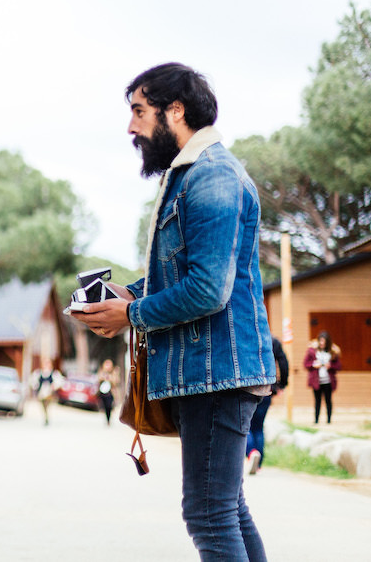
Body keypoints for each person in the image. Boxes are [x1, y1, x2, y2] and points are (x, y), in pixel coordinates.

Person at [71, 63, 276, 561]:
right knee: (226, 509)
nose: (131, 126)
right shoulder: (195, 174)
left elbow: (207, 290)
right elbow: (181, 276)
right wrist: (123, 295)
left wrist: (132, 315)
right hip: (216, 373)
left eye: (139, 111)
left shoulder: (212, 177)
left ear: (175, 110)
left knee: (208, 514)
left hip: (218, 375)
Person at [246, 337, 289, 474]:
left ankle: (251, 452)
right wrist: (282, 384)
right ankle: (259, 464)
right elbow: (283, 363)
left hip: (247, 387)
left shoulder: (246, 339)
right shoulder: (272, 341)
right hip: (266, 388)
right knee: (258, 427)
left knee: (245, 426)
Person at [304, 331, 342, 424]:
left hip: (328, 381)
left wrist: (330, 366)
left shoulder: (333, 352)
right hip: (316, 380)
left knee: (328, 400)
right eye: (320, 341)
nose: (321, 343)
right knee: (317, 401)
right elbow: (306, 364)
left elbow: (339, 366)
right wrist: (314, 365)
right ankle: (316, 420)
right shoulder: (312, 351)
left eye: (324, 341)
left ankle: (329, 420)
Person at [32, 358, 63, 425]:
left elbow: (59, 382)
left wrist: (54, 386)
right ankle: (46, 417)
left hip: (50, 394)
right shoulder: (39, 373)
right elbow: (33, 382)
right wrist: (36, 387)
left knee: (47, 405)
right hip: (41, 393)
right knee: (43, 406)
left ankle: (47, 418)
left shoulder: (54, 373)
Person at [95, 358, 120, 426]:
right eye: (106, 364)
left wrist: (110, 378)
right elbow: (98, 379)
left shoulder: (114, 372)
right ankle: (106, 417)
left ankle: (108, 419)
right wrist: (104, 377)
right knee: (104, 406)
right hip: (102, 392)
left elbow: (116, 382)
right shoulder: (102, 372)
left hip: (110, 392)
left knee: (109, 406)